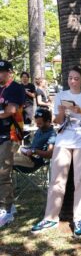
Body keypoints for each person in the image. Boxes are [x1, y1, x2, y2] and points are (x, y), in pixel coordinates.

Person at [31, 66, 81, 237]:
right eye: (70, 78)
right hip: (63, 141)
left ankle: (79, 218)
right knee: (56, 180)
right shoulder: (61, 96)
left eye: (76, 78)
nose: (72, 81)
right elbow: (57, 121)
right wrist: (61, 112)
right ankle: (50, 217)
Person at [0, 60, 25, 228]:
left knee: (2, 172)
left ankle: (5, 210)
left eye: (2, 71)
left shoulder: (15, 88)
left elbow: (11, 111)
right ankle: (9, 206)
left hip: (10, 135)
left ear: (10, 72)